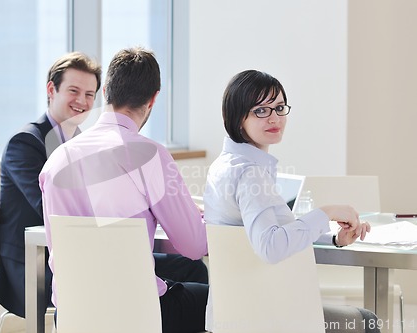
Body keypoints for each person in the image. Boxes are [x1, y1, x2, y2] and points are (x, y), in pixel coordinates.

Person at [40, 47, 209, 333]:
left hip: (72, 314)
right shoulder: (150, 155)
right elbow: (194, 247)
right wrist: (200, 217)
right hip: (136, 315)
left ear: (105, 91)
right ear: (154, 98)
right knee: (215, 303)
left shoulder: (56, 159)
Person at [203, 69, 380, 333]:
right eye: (260, 110)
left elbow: (271, 232)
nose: (274, 118)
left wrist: (333, 238)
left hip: (233, 313)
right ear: (239, 117)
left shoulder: (225, 164)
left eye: (279, 107)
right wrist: (326, 212)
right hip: (272, 313)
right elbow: (271, 246)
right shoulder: (251, 174)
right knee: (367, 321)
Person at [0, 52, 102, 317]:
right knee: (135, 276)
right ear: (51, 89)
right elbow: (50, 209)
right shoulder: (25, 143)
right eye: (73, 91)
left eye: (89, 94)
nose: (82, 101)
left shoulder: (83, 143)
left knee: (181, 267)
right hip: (34, 266)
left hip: (75, 252)